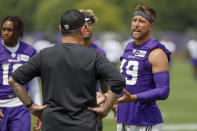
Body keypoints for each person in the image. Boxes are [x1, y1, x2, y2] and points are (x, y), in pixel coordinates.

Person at [8, 9, 125, 131]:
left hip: (52, 124)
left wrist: (31, 106)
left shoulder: (44, 55)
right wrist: (104, 110)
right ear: (82, 29)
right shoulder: (94, 55)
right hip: (84, 124)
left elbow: (13, 81)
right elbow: (118, 81)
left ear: (60, 28)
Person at [115, 5, 171, 131]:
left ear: (151, 26)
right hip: (123, 118)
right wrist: (115, 101)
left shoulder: (156, 52)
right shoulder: (128, 47)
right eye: (134, 20)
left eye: (142, 21)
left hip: (145, 121)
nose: (136, 24)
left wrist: (134, 98)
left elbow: (163, 91)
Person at [0, 16, 42, 131]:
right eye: (3, 29)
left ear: (19, 31)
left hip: (20, 105)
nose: (5, 33)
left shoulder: (30, 51)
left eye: (9, 30)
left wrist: (37, 107)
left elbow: (33, 82)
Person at [80, 9, 108, 131]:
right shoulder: (64, 50)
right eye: (82, 24)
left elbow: (104, 81)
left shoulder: (99, 52)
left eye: (89, 24)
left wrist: (109, 103)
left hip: (92, 108)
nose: (86, 27)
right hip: (67, 108)